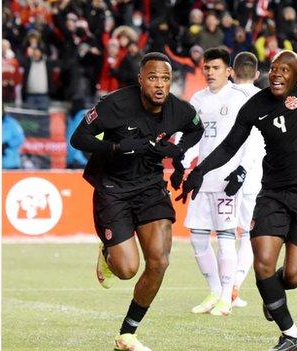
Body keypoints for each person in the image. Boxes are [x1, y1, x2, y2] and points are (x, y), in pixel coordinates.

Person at [177, 1, 297, 350]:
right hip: (272, 193)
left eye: (284, 70)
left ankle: (272, 295)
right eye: (273, 69)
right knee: (262, 265)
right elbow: (229, 146)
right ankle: (291, 335)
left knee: (292, 276)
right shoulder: (256, 105)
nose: (275, 74)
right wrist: (199, 170)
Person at [70, 52, 203, 351]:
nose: (160, 84)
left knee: (160, 261)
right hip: (113, 188)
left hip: (150, 188)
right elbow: (78, 139)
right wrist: (116, 147)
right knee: (127, 270)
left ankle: (127, 333)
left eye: (165, 79)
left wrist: (178, 149)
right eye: (153, 77)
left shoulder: (179, 110)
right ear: (141, 79)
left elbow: (196, 128)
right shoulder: (114, 104)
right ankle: (108, 253)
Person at [178, 47, 250, 317]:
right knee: (197, 238)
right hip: (202, 179)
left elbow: (251, 138)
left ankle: (226, 296)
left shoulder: (239, 98)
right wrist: (182, 165)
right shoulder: (197, 99)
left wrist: (242, 170)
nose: (209, 72)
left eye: (215, 68)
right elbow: (191, 138)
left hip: (227, 180)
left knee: (226, 238)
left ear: (229, 71)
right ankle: (214, 291)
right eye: (206, 68)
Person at [231, 52, 263, 308]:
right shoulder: (263, 99)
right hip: (253, 175)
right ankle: (235, 286)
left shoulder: (223, 96)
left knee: (224, 233)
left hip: (223, 174)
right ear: (257, 74)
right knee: (249, 234)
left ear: (231, 71)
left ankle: (221, 288)